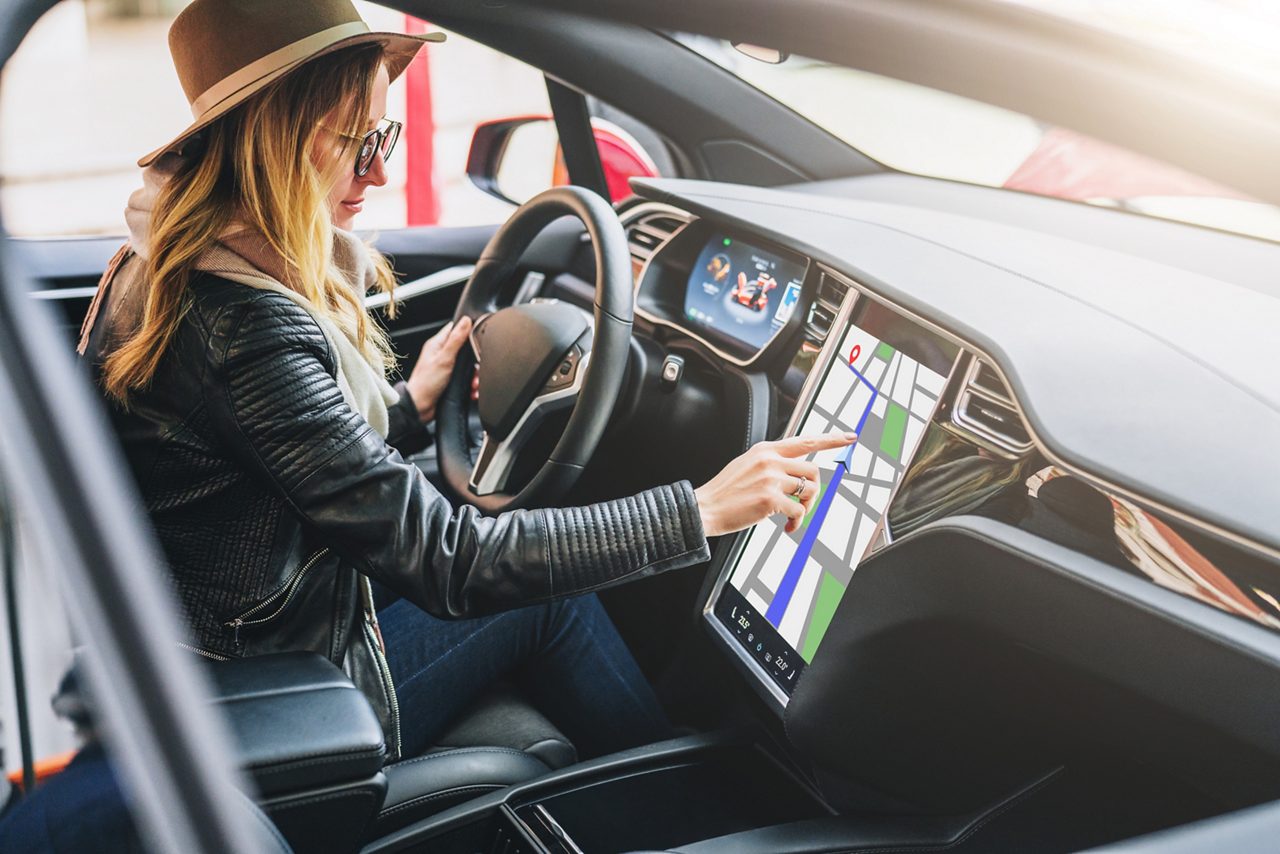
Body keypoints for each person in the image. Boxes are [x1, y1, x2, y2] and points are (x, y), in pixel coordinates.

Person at [78, 0, 850, 764]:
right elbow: (452, 562)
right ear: (278, 141)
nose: (379, 169)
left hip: (218, 649)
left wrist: (412, 408)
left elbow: (288, 467)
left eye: (387, 135)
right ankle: (690, 809)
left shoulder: (158, 262)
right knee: (553, 601)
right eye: (359, 141)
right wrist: (701, 509)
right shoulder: (244, 327)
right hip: (278, 699)